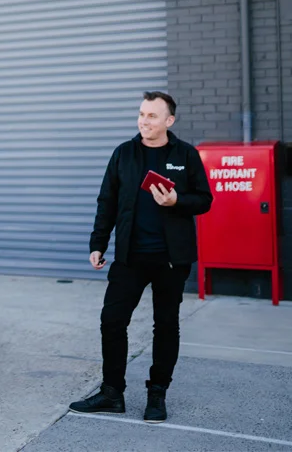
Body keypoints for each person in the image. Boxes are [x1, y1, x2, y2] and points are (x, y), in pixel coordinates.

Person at [69, 91, 212, 424]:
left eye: (151, 116)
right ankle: (112, 393)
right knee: (112, 321)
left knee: (165, 325)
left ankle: (157, 394)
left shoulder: (186, 155)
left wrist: (177, 200)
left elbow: (205, 200)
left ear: (169, 121)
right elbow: (107, 201)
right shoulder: (124, 153)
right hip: (131, 256)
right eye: (141, 114)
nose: (143, 121)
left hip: (172, 259)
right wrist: (98, 243)